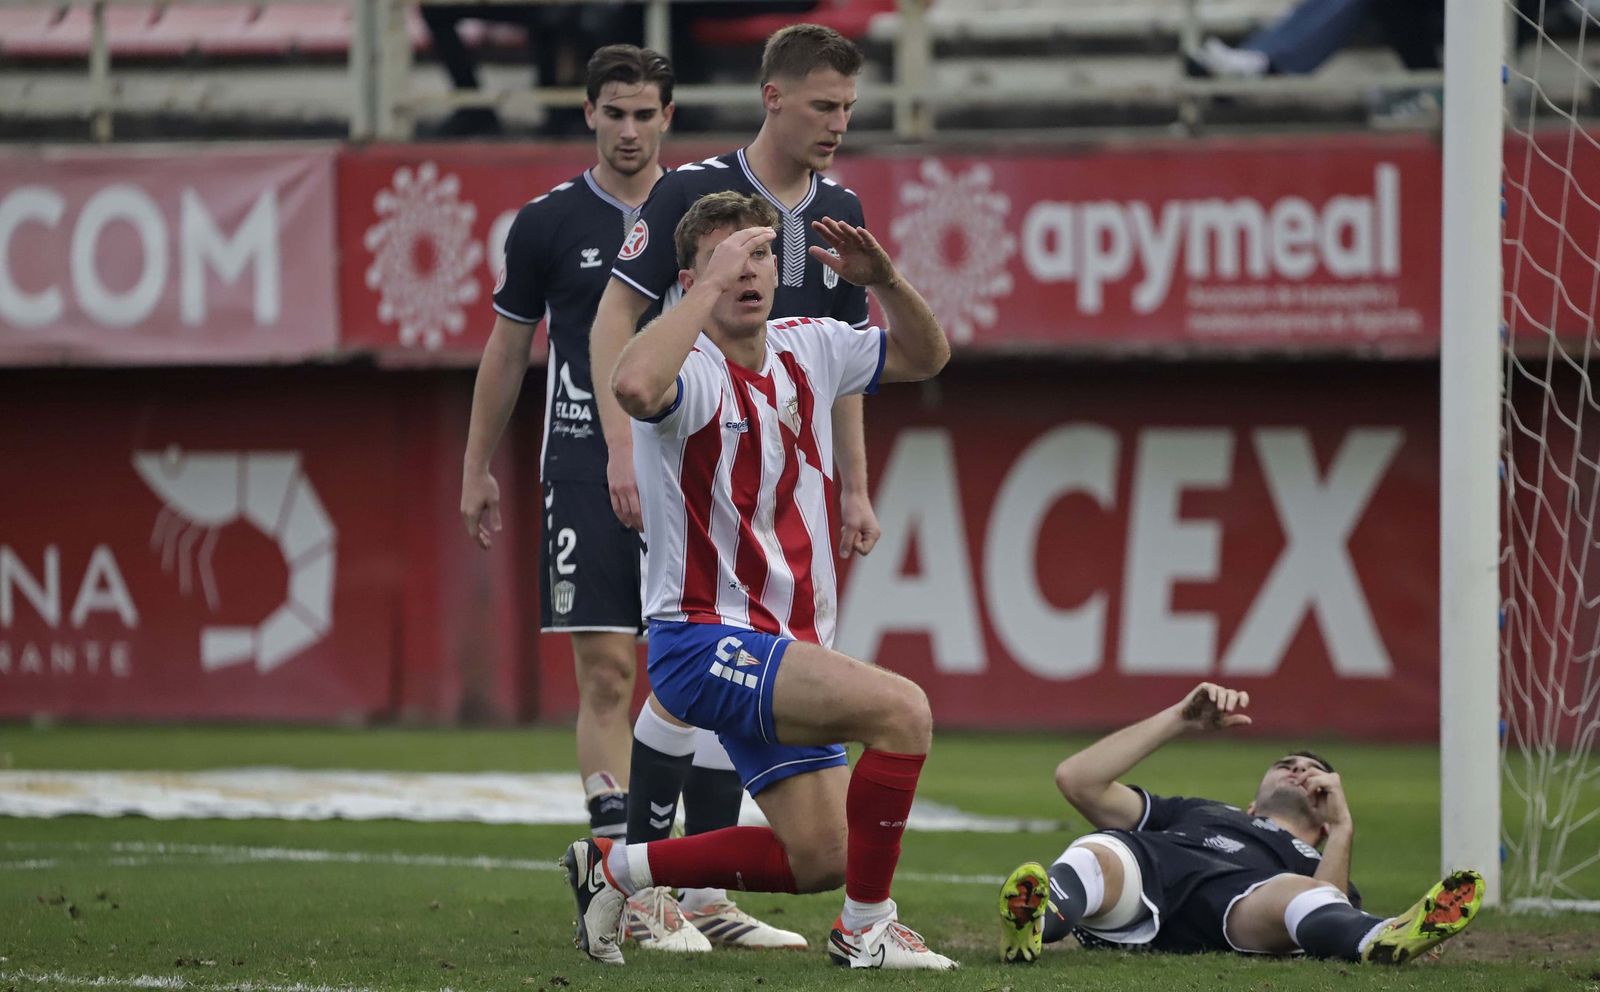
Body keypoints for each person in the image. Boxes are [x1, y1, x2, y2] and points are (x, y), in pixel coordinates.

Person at [560, 191, 956, 970]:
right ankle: (866, 932)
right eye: (730, 258)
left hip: (784, 644)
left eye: (762, 254)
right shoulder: (689, 370)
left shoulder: (812, 345)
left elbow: (927, 356)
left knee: (821, 858)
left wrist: (886, 281)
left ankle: (614, 870)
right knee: (904, 712)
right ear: (691, 277)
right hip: (703, 641)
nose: (750, 272)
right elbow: (633, 386)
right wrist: (703, 289)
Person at [586, 22, 884, 949]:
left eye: (848, 106)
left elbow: (842, 369)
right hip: (686, 446)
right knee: (693, 641)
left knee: (722, 666)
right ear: (774, 97)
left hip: (781, 482)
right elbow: (616, 319)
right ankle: (650, 879)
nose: (838, 122)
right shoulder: (690, 189)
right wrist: (618, 446)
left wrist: (855, 486)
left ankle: (680, 887)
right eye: (824, 104)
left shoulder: (839, 206)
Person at [459, 41, 690, 933]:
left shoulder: (700, 213)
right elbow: (508, 349)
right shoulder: (548, 222)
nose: (630, 131)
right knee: (607, 674)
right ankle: (621, 882)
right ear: (588, 113)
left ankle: (683, 878)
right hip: (583, 468)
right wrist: (477, 466)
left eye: (646, 114)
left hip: (689, 472)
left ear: (668, 117)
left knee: (688, 680)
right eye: (614, 113)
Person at [995, 683, 1485, 967]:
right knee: (1098, 851)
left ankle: (1376, 939)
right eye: (1287, 763)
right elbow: (1077, 780)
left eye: (1312, 771)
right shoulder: (1204, 812)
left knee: (1299, 895)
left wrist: (1341, 830)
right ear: (1252, 804)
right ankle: (1035, 925)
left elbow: (1324, 904)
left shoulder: (1316, 860)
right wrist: (1178, 720)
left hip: (1240, 905)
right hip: (1148, 878)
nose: (1298, 769)